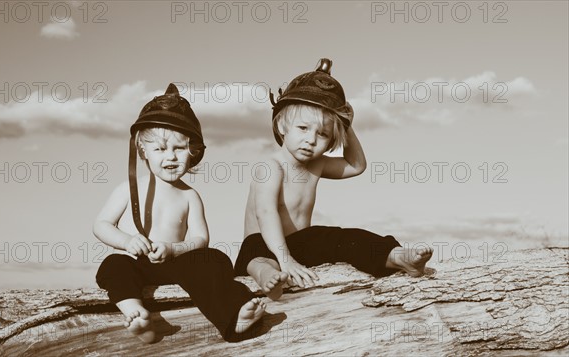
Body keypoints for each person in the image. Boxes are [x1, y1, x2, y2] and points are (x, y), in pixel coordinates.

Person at [234, 59, 433, 300]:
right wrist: (285, 260)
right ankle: (267, 275)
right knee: (255, 254)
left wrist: (346, 123)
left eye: (323, 134)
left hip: (298, 247)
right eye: (303, 128)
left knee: (341, 238)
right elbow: (266, 214)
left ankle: (396, 257)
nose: (311, 139)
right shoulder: (270, 167)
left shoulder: (316, 165)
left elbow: (356, 165)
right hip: (264, 245)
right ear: (282, 126)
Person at [95, 83, 265, 343]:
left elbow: (201, 239)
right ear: (143, 150)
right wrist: (127, 241)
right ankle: (136, 313)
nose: (171, 157)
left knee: (213, 259)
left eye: (179, 148)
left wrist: (173, 249)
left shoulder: (189, 195)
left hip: (177, 265)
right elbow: (102, 225)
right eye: (160, 149)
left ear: (193, 151)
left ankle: (233, 317)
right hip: (137, 263)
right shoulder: (128, 189)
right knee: (113, 265)